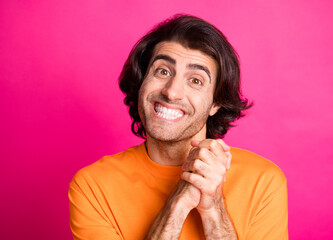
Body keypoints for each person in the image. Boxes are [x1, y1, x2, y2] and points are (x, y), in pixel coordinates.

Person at [68, 14, 288, 240]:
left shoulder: (264, 181)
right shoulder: (93, 187)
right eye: (163, 71)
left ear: (215, 103)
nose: (171, 92)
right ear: (142, 81)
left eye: (195, 80)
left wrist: (213, 208)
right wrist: (178, 204)